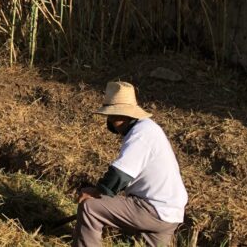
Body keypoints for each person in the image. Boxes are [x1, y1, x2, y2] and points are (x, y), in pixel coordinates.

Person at [73, 81, 187, 247]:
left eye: (112, 116)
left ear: (123, 115)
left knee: (90, 208)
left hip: (152, 209)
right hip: (170, 214)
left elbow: (120, 174)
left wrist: (97, 192)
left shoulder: (141, 134)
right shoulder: (149, 128)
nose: (110, 122)